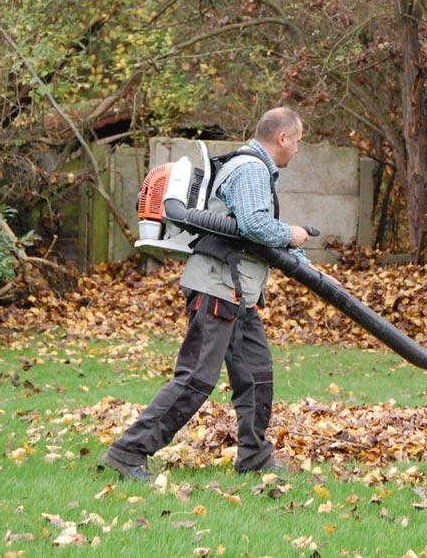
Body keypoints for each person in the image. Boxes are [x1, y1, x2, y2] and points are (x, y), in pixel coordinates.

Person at [102, 106, 309, 480]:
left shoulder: (252, 167)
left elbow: (250, 229)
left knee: (256, 374)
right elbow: (255, 226)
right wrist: (290, 233)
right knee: (196, 377)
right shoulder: (250, 169)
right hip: (218, 287)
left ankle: (254, 456)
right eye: (297, 142)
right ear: (282, 138)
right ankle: (129, 450)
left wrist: (310, 268)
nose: (297, 150)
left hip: (238, 292)